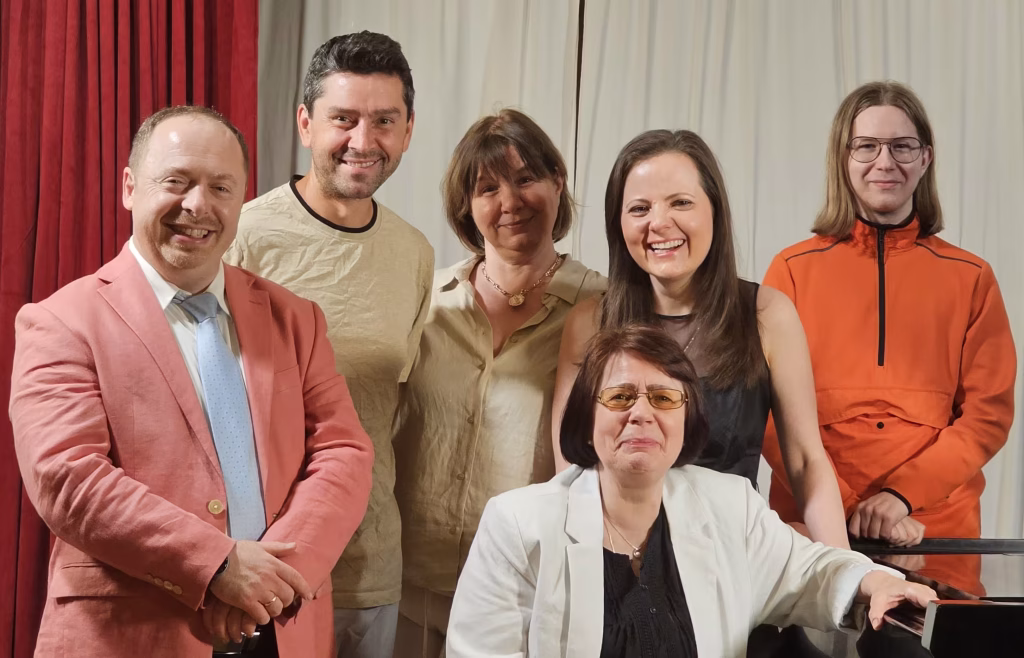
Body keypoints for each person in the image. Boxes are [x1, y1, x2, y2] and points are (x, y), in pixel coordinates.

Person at [9, 106, 374, 658]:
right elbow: (67, 476)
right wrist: (218, 566)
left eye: (220, 187)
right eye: (176, 182)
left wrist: (274, 579)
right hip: (129, 637)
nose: (197, 205)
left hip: (283, 627)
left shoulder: (296, 318)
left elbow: (343, 451)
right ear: (130, 187)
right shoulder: (61, 320)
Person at [448, 325, 936, 657]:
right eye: (619, 397)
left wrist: (876, 582)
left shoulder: (730, 504)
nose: (641, 413)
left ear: (687, 418)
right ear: (586, 415)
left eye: (663, 398)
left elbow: (811, 572)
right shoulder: (517, 523)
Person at [224, 32, 432, 658]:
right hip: (258, 566)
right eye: (344, 119)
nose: (363, 142)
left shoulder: (415, 254)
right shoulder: (241, 238)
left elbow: (388, 411)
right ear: (306, 122)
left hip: (370, 569)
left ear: (408, 130)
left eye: (384, 121)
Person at [762, 81, 1016, 593]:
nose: (885, 162)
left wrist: (900, 499)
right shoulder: (790, 270)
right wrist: (850, 509)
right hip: (813, 530)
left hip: (935, 534)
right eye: (867, 146)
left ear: (925, 158)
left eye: (901, 146)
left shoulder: (972, 277)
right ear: (843, 156)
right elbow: (765, 414)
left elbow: (988, 416)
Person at [553, 129, 849, 548]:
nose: (659, 223)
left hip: (732, 557)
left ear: (715, 212)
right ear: (618, 224)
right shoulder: (589, 322)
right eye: (639, 208)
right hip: (617, 556)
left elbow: (805, 461)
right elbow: (570, 471)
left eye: (681, 203)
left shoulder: (768, 314)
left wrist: (848, 573)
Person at [391, 108, 606, 656]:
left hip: (526, 592)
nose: (509, 202)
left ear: (558, 181)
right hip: (405, 587)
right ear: (467, 205)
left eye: (526, 179)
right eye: (488, 187)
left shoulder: (604, 310)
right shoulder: (423, 300)